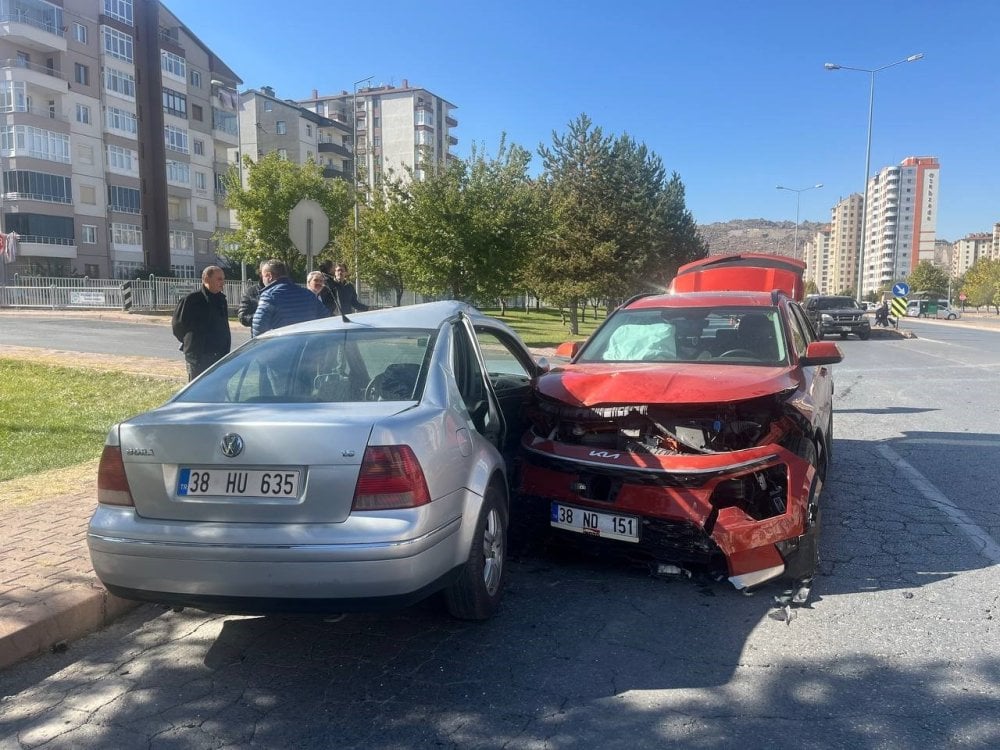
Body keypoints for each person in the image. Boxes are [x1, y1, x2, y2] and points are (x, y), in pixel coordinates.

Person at [171, 265, 231, 381]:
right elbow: (178, 326)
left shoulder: (221, 299)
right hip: (199, 357)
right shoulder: (191, 300)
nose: (222, 282)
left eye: (223, 279)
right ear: (206, 279)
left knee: (218, 389)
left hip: (220, 355)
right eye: (219, 279)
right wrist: (191, 341)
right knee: (198, 390)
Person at [251, 258, 328, 337]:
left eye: (263, 276)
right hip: (307, 345)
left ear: (269, 276)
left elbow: (259, 330)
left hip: (282, 346)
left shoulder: (269, 296)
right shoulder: (308, 294)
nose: (262, 280)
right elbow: (326, 320)